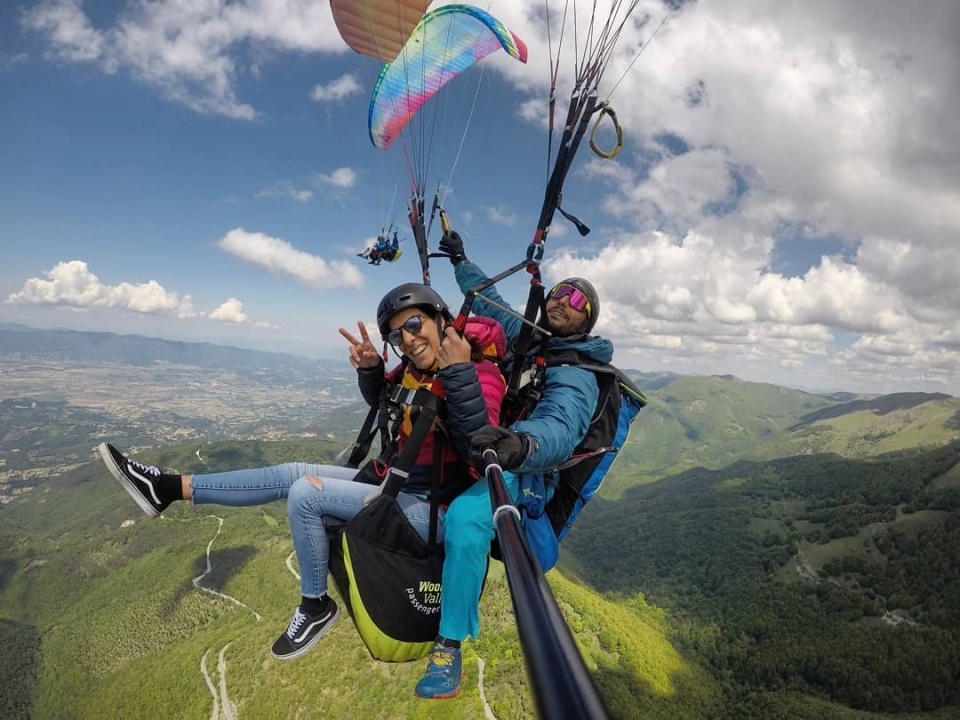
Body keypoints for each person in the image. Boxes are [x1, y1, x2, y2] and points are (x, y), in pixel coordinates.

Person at [98, 282, 506, 699]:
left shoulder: (481, 374)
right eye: (396, 334)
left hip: (431, 510)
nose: (408, 338)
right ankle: (165, 487)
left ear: (442, 320)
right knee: (292, 471)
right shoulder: (416, 370)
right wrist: (370, 371)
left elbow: (481, 448)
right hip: (394, 483)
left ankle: (315, 606)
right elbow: (386, 402)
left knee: (306, 494)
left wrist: (458, 373)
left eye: (415, 324)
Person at [437, 229, 610, 552]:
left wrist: (522, 442)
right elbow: (491, 303)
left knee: (463, 518)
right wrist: (461, 260)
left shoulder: (579, 373)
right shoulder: (528, 335)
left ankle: (455, 604)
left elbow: (561, 426)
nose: (562, 301)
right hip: (491, 445)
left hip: (525, 467)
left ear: (586, 322)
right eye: (559, 293)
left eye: (576, 301)